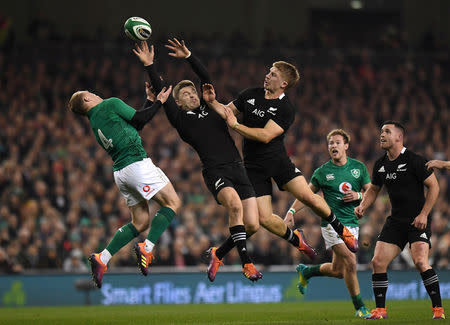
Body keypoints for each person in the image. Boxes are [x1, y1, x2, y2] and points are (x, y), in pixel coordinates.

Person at [133, 39, 315, 282]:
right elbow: (161, 87)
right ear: (178, 102)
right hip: (215, 171)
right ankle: (246, 263)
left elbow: (205, 78)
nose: (192, 94)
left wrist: (189, 56)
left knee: (252, 224)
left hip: (239, 169)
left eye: (192, 91)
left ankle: (221, 252)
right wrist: (150, 65)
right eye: (185, 93)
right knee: (235, 207)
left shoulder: (212, 109)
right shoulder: (179, 118)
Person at [202, 63, 358, 267]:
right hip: (252, 167)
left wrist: (236, 126)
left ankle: (341, 230)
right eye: (268, 72)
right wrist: (212, 102)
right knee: (264, 219)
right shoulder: (250, 94)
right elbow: (227, 111)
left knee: (307, 196)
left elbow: (266, 136)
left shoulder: (286, 108)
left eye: (273, 74)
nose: (267, 76)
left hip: (278, 162)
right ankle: (297, 239)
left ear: (283, 83)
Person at [67, 86, 182, 288]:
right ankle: (147, 247)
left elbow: (133, 124)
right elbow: (139, 120)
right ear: (86, 100)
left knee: (140, 222)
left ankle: (102, 258)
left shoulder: (95, 120)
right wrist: (159, 103)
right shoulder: (109, 103)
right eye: (90, 93)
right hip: (136, 163)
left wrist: (148, 101)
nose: (95, 93)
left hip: (121, 173)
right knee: (173, 202)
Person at [355, 121, 445, 320]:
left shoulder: (414, 160)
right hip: (395, 221)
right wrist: (363, 205)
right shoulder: (380, 164)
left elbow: (434, 187)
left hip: (417, 221)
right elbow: (374, 190)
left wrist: (423, 214)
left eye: (387, 131)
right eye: (381, 131)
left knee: (421, 261)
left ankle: (438, 309)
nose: (382, 135)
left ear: (399, 137)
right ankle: (380, 310)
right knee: (377, 261)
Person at [284, 129, 371, 318]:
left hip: (352, 224)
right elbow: (306, 195)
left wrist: (359, 196)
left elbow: (372, 192)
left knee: (339, 271)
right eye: (330, 143)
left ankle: (307, 272)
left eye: (337, 142)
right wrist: (291, 211)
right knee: (351, 261)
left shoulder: (359, 168)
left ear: (346, 146)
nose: (333, 146)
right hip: (331, 225)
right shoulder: (322, 172)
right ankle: (360, 307)